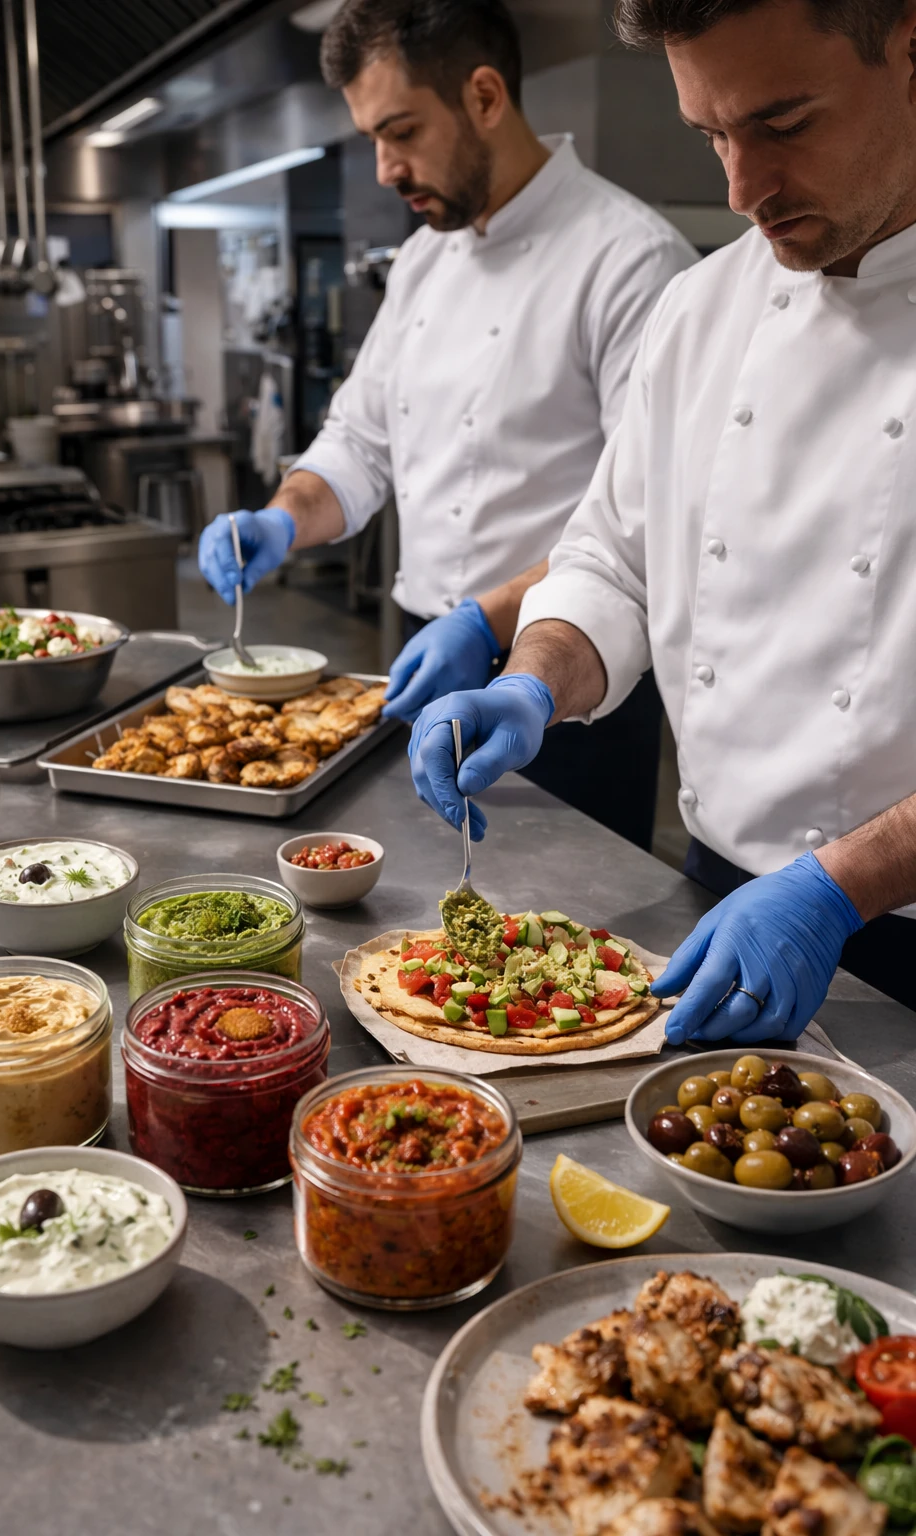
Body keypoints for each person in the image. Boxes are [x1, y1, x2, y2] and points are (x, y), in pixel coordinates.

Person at [408, 0, 916, 1042]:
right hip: (715, 894)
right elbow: (612, 561)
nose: (742, 189)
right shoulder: (700, 309)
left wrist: (843, 885)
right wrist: (533, 678)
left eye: (782, 124)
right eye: (711, 135)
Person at [198, 0, 696, 851]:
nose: (385, 169)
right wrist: (284, 516)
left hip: (564, 679)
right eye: (372, 139)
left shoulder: (631, 262)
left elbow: (642, 525)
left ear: (485, 96)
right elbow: (361, 441)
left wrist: (485, 620)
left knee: (564, 915)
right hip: (427, 652)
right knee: (423, 901)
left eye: (401, 132)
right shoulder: (425, 258)